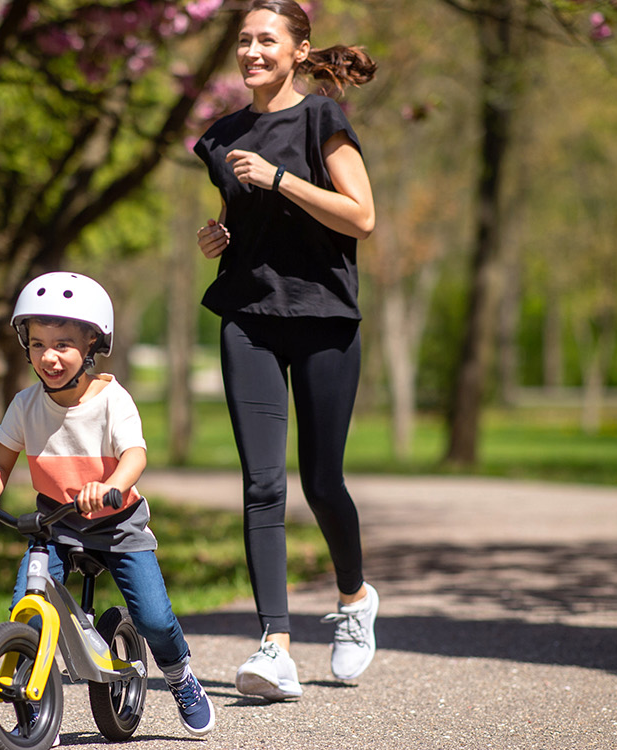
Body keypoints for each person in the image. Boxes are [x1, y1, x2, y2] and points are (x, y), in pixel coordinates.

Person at [192, 0, 380, 702]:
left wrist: (280, 180)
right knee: (262, 485)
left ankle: (356, 599)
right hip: (248, 316)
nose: (251, 51)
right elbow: (240, 222)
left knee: (322, 481)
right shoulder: (221, 137)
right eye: (243, 40)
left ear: (299, 50)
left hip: (325, 317)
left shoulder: (321, 118)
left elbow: (361, 216)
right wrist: (218, 237)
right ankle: (275, 647)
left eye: (266, 40)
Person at [0, 271, 215, 738]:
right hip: (54, 523)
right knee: (27, 609)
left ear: (92, 344)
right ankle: (32, 705)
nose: (48, 357)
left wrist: (110, 484)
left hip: (117, 523)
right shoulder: (25, 404)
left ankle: (179, 676)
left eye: (63, 345)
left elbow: (135, 454)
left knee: (155, 620)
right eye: (37, 344)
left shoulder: (113, 400)